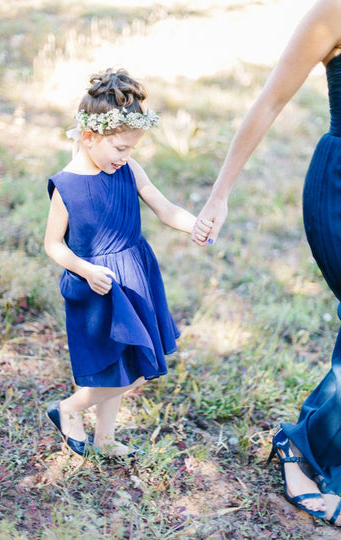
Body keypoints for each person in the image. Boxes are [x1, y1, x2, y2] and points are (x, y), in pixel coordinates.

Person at [192, 0, 341, 527]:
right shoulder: (333, 11)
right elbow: (270, 101)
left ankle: (309, 442)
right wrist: (219, 195)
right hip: (338, 187)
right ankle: (305, 449)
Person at [44, 68, 212, 458]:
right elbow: (53, 245)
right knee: (129, 369)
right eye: (120, 148)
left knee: (129, 360)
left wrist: (195, 226)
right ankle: (68, 409)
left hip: (135, 274)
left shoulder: (129, 170)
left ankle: (104, 438)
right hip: (97, 284)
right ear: (88, 137)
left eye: (132, 149)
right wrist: (86, 270)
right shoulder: (67, 187)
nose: (126, 156)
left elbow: (165, 208)